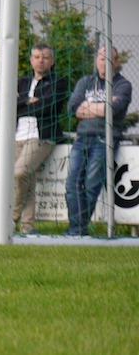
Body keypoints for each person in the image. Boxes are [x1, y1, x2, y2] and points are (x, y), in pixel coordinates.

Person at [64, 46, 132, 236]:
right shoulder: (85, 82)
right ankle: (77, 228)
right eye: (102, 59)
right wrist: (101, 107)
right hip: (81, 138)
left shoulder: (123, 85)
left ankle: (76, 229)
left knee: (91, 185)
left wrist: (87, 107)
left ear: (116, 62)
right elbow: (72, 108)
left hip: (105, 139)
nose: (105, 63)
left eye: (109, 59)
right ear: (96, 61)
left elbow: (113, 109)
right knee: (72, 184)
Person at [9, 42, 67, 234]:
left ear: (52, 61)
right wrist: (28, 101)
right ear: (31, 60)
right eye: (37, 57)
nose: (41, 61)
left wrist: (22, 103)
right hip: (17, 135)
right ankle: (28, 226)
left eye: (45, 57)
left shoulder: (58, 82)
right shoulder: (21, 81)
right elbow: (8, 103)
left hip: (41, 136)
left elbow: (49, 107)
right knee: (27, 181)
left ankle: (10, 219)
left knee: (20, 173)